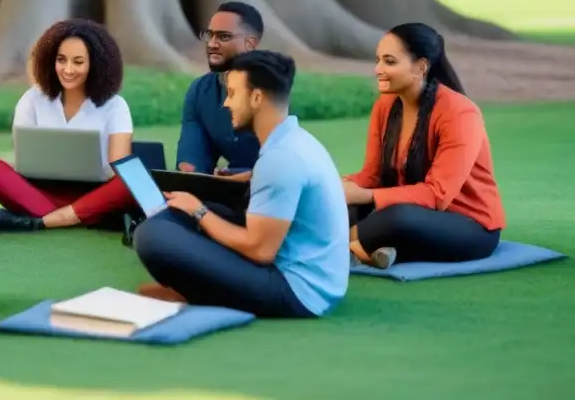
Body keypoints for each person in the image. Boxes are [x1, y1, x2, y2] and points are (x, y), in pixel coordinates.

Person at [134, 51, 349, 319]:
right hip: (311, 276)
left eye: (233, 93)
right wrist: (248, 178)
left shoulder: (282, 159)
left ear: (256, 97)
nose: (226, 103)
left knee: (152, 236)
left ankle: (194, 293)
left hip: (298, 291)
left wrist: (199, 211)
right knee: (172, 216)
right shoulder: (294, 140)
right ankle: (195, 289)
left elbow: (260, 251)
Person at [341, 23, 506, 269]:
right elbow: (372, 175)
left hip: (469, 225)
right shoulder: (385, 106)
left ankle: (337, 247)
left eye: (389, 61)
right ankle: (372, 249)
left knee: (398, 218)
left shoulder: (459, 112)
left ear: (421, 67)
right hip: (408, 211)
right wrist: (338, 187)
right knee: (340, 205)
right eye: (378, 60)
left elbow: (437, 195)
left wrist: (366, 195)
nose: (378, 69)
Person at [0, 19, 135, 232]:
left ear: (96, 64)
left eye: (78, 62)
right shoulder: (32, 99)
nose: (67, 69)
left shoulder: (115, 106)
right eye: (61, 60)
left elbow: (119, 167)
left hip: (95, 191)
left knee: (134, 178)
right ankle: (85, 216)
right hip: (41, 190)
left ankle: (43, 220)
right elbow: (23, 159)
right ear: (50, 60)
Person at [176, 2, 264, 181]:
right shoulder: (200, 91)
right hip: (229, 192)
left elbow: (287, 166)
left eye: (223, 37)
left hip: (276, 194)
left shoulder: (270, 89)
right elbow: (193, 156)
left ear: (250, 43)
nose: (212, 44)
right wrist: (190, 172)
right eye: (209, 35)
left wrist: (238, 177)